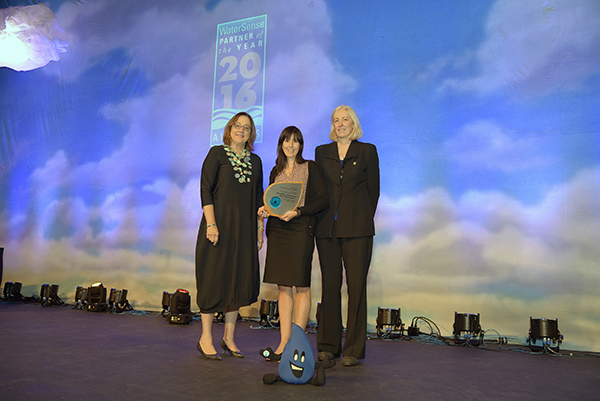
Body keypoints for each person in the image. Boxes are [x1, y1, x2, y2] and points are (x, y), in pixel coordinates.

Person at [195, 112, 264, 361]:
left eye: (247, 127)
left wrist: (259, 228)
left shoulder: (255, 161)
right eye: (237, 125)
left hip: (244, 230)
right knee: (214, 280)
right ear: (229, 128)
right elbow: (206, 190)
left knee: (237, 282)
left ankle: (229, 338)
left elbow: (259, 197)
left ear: (251, 134)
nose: (241, 130)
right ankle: (205, 338)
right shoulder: (216, 154)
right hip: (218, 228)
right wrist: (211, 224)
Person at [314, 105, 380, 367]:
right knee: (330, 287)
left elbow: (373, 192)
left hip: (358, 230)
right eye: (335, 120)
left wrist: (359, 218)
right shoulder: (322, 152)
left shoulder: (367, 151)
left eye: (345, 119)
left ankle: (353, 349)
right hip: (326, 230)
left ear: (354, 123)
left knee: (356, 288)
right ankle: (329, 346)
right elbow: (318, 191)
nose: (340, 124)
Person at [258, 126, 329, 362]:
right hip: (278, 232)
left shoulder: (311, 167)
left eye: (295, 141)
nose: (290, 145)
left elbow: (322, 200)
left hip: (300, 230)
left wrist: (298, 212)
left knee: (301, 287)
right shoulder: (275, 171)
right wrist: (265, 211)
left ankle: (297, 343)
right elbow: (273, 202)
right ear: (281, 144)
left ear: (300, 145)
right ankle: (283, 343)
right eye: (286, 141)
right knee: (283, 288)